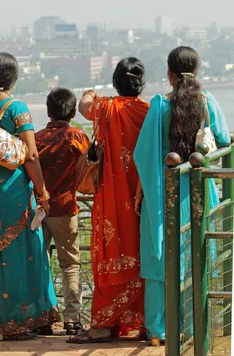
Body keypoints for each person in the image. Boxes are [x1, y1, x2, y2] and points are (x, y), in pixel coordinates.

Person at [134, 47, 230, 346]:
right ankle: (191, 326)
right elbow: (224, 140)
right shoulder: (207, 101)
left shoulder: (160, 104)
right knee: (193, 253)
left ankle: (158, 330)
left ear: (169, 73)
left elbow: (143, 153)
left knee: (159, 254)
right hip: (197, 188)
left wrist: (143, 189)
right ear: (197, 71)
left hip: (164, 188)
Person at [0, 53, 58, 342]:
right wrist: (42, 192)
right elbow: (30, 154)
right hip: (11, 191)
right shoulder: (17, 107)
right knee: (18, 253)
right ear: (14, 79)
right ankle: (17, 322)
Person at [68, 58, 149, 343]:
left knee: (109, 256)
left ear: (116, 83)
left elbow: (83, 105)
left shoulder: (105, 108)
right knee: (143, 256)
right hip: (143, 198)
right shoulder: (149, 111)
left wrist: (92, 90)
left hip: (111, 200)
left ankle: (102, 325)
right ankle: (146, 322)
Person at [35, 88, 90, 336]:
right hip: (66, 208)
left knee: (40, 263)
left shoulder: (36, 138)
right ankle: (72, 319)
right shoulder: (76, 136)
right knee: (70, 265)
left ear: (48, 110)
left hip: (38, 210)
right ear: (72, 111)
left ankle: (43, 317)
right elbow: (89, 166)